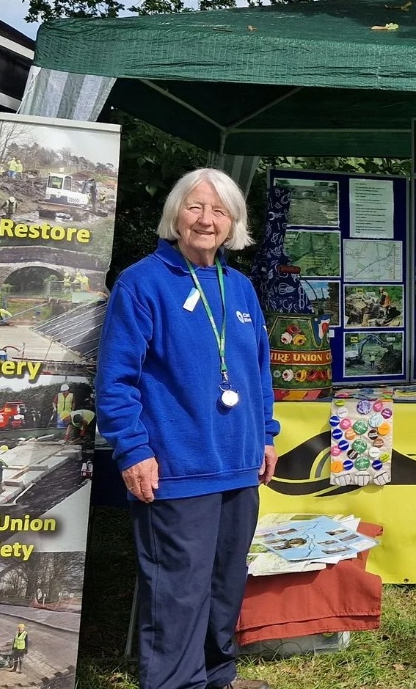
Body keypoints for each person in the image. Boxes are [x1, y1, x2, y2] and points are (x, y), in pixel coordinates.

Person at [96, 167, 278, 689]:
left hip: (239, 465)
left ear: (233, 223)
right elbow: (116, 380)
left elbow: (258, 370)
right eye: (196, 207)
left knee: (224, 586)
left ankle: (218, 676)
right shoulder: (142, 282)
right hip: (176, 467)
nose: (206, 219)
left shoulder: (240, 288)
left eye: (219, 211)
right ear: (175, 215)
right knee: (178, 590)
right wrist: (132, 450)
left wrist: (265, 435)